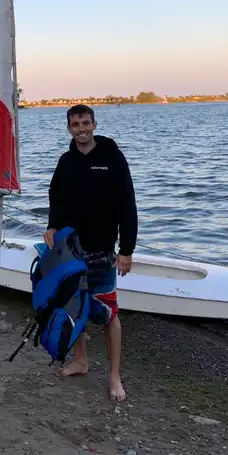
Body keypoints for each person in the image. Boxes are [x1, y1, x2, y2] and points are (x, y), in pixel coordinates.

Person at [43, 105, 138, 402]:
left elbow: (127, 203)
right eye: (75, 124)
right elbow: (56, 198)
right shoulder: (66, 161)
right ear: (68, 129)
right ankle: (81, 361)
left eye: (85, 122)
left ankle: (114, 376)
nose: (81, 128)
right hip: (72, 248)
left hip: (103, 250)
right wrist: (52, 226)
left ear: (94, 124)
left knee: (109, 314)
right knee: (76, 307)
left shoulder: (112, 157)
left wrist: (126, 250)